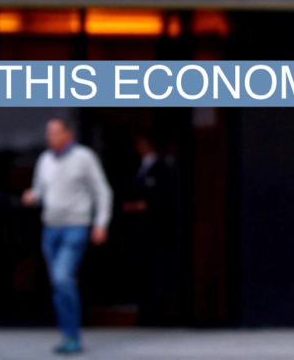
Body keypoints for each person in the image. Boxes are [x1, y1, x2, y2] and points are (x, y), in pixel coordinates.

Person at [22, 117, 113, 355]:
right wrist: (33, 196)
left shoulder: (84, 158)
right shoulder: (45, 160)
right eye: (48, 134)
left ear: (68, 135)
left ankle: (72, 335)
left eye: (54, 133)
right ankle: (67, 334)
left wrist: (101, 223)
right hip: (51, 228)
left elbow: (102, 191)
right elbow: (40, 190)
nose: (50, 138)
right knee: (59, 282)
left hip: (76, 226)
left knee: (62, 278)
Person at [120, 130, 179, 325]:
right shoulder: (137, 166)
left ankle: (158, 311)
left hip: (156, 229)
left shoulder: (162, 167)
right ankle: (145, 309)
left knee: (157, 269)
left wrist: (142, 205)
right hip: (139, 230)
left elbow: (164, 196)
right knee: (143, 269)